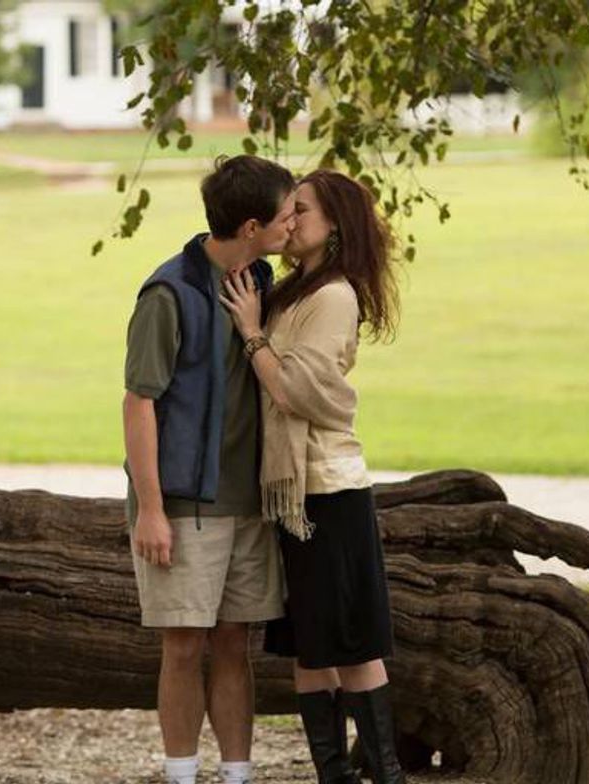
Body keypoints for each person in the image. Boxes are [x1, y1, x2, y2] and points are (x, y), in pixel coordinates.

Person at [220, 169, 405, 784]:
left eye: (301, 209)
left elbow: (296, 390)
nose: (290, 219)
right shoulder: (294, 290)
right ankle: (334, 776)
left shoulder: (333, 297)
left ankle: (387, 776)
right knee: (310, 644)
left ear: (335, 224)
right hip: (294, 495)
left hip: (328, 492)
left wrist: (252, 334)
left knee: (351, 645)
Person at [122, 155, 296, 784]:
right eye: (285, 216)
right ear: (251, 227)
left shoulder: (262, 281)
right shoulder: (168, 294)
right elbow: (138, 403)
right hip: (184, 506)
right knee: (183, 645)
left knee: (233, 644)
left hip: (249, 503)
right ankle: (181, 776)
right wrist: (151, 510)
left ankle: (236, 776)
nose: (292, 225)